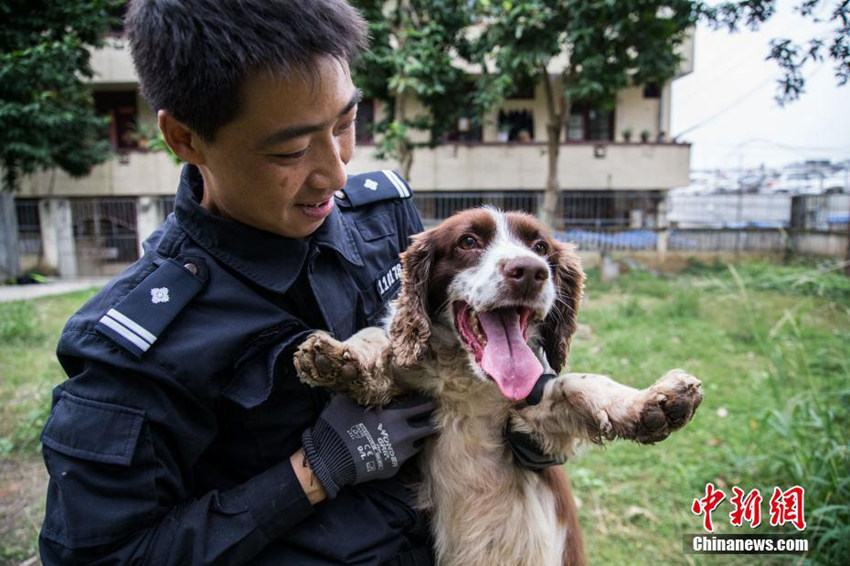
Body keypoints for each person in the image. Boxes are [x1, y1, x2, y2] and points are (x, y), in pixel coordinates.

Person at [38, 1, 559, 564]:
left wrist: (524, 428)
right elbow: (103, 555)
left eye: (345, 124)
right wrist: (311, 472)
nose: (335, 173)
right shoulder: (138, 346)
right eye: (289, 150)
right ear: (185, 139)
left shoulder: (385, 220)